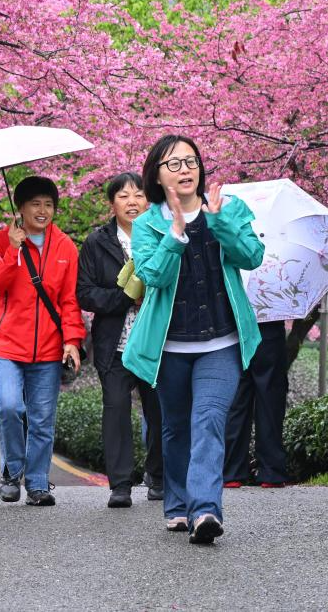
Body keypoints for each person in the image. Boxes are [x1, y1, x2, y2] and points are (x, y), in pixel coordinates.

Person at [122, 134, 264, 545]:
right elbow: (153, 276)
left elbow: (252, 256)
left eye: (191, 161)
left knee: (208, 421)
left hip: (221, 343)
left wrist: (220, 223)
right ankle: (178, 504)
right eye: (174, 163)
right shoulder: (147, 224)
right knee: (176, 428)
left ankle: (205, 510)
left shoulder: (228, 208)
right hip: (170, 349)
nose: (185, 170)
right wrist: (175, 235)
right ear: (156, 175)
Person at [0, 176, 86, 506]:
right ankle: (12, 471)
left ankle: (38, 482)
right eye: (35, 204)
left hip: (48, 347)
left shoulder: (65, 247)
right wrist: (12, 249)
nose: (43, 211)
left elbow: (69, 300)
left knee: (42, 419)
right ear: (21, 208)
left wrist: (72, 340)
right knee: (10, 407)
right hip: (5, 345)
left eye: (49, 204)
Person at [77, 172, 163, 508]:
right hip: (115, 345)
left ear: (148, 200)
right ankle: (121, 485)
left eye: (139, 195)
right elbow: (85, 293)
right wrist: (125, 297)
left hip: (155, 342)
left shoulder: (162, 235)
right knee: (116, 411)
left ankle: (158, 476)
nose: (132, 202)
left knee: (159, 411)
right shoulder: (97, 243)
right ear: (112, 203)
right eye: (124, 196)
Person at [223, 320, 289, 488]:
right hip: (270, 323)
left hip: (236, 324)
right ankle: (271, 471)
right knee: (270, 400)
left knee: (236, 398)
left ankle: (231, 471)